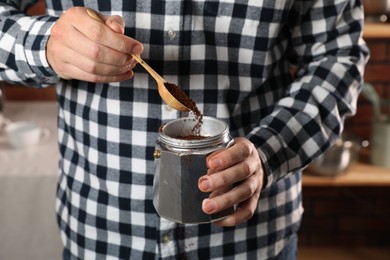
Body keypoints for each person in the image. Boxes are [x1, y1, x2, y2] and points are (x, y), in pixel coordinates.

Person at [0, 0, 369, 259]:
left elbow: (337, 57)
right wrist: (45, 45)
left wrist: (268, 153)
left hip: (251, 240)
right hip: (103, 236)